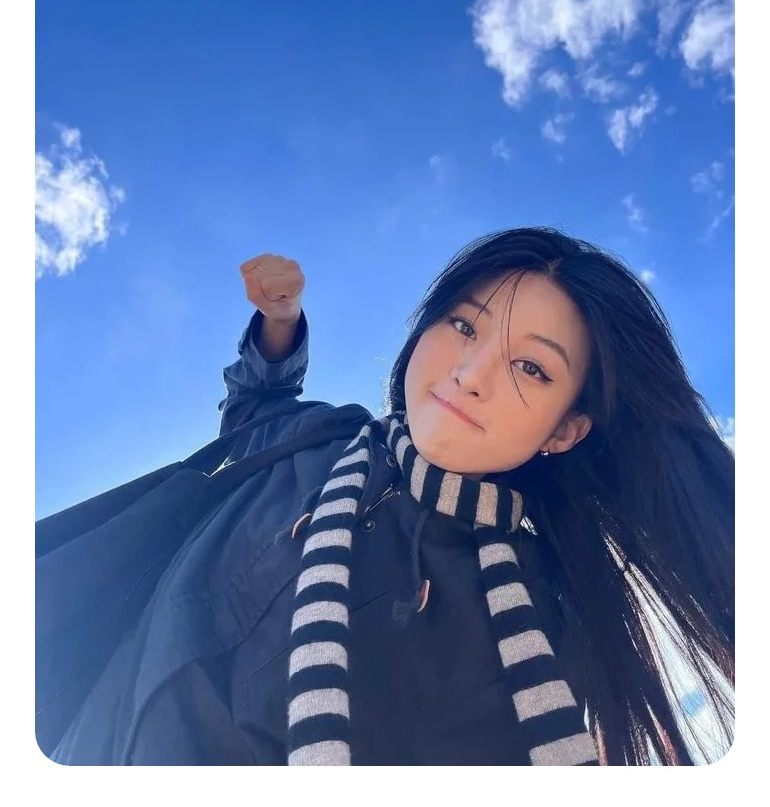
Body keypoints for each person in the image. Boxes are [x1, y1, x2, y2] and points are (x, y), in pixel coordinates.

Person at [36, 227, 734, 766]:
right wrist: (280, 322)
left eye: (530, 366)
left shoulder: (534, 626)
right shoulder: (319, 437)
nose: (469, 373)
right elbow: (255, 405)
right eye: (464, 324)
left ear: (565, 429)